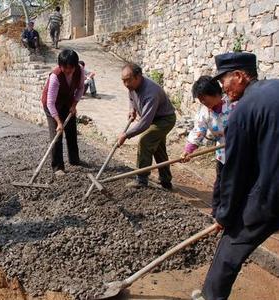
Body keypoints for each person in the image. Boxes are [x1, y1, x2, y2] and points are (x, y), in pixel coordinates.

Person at [192, 52, 279, 300]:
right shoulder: (274, 89)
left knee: (231, 246)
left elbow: (236, 170)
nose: (222, 87)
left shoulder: (244, 111)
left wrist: (225, 214)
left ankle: (211, 296)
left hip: (272, 193)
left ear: (240, 76)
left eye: (224, 80)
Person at [180, 76, 237, 217]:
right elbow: (198, 130)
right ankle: (216, 214)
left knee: (237, 184)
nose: (203, 102)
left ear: (216, 93)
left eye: (204, 98)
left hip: (241, 151)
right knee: (220, 184)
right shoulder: (204, 112)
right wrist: (188, 150)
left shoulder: (234, 104)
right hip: (222, 153)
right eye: (200, 100)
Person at [117, 62, 176, 189]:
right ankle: (166, 181)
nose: (126, 84)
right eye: (123, 81)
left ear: (138, 76)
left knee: (145, 140)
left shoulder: (151, 92)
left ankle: (141, 179)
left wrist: (126, 135)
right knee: (158, 148)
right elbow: (132, 98)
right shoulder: (132, 86)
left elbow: (145, 123)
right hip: (153, 118)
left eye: (128, 80)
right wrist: (132, 109)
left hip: (164, 119)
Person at [41, 49, 85, 176]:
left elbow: (81, 88)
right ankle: (58, 166)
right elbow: (50, 103)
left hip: (68, 102)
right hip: (52, 105)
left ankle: (74, 160)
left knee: (71, 130)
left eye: (70, 68)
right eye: (64, 68)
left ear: (75, 66)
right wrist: (59, 122)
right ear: (60, 66)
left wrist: (74, 104)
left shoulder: (80, 71)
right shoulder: (55, 76)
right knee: (57, 134)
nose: (68, 71)